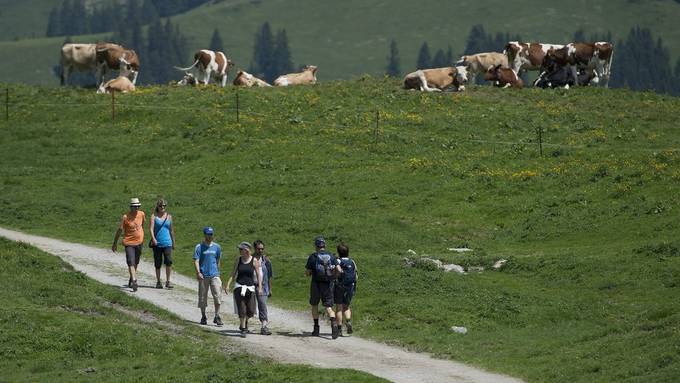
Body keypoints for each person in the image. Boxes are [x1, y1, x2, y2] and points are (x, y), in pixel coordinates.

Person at [305, 236, 342, 339]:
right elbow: (339, 270)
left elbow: (307, 273)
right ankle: (334, 323)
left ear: (316, 246)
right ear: (324, 245)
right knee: (328, 307)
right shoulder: (331, 256)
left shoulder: (313, 257)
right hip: (328, 284)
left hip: (316, 284)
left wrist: (310, 273)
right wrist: (333, 277)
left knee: (314, 305)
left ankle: (316, 329)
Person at [225, 241, 262, 337]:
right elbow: (233, 273)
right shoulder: (238, 260)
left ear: (246, 250)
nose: (239, 251)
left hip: (250, 287)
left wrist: (260, 287)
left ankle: (245, 321)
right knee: (242, 308)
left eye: (241, 249)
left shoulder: (254, 261)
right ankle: (243, 328)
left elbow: (258, 275)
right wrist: (228, 285)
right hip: (239, 286)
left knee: (250, 310)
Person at [112, 197, 146, 292]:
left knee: (136, 262)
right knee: (131, 261)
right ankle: (134, 281)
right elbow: (120, 230)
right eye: (134, 207)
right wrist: (115, 243)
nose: (136, 208)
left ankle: (131, 278)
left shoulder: (141, 214)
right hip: (129, 243)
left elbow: (142, 225)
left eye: (137, 206)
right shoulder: (125, 217)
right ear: (131, 207)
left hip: (139, 242)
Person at [193, 226, 223, 326]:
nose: (210, 236)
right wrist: (198, 272)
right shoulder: (199, 247)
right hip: (203, 275)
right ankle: (203, 316)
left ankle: (217, 316)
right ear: (204, 235)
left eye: (211, 234)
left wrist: (218, 272)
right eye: (208, 234)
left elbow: (218, 260)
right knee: (202, 297)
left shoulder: (217, 247)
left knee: (217, 296)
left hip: (214, 275)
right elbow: (196, 260)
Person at [149, 198, 175, 289]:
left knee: (168, 261)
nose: (162, 207)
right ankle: (158, 281)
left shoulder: (169, 216)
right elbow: (151, 229)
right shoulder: (154, 216)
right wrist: (153, 239)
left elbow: (171, 230)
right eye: (160, 205)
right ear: (157, 206)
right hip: (157, 243)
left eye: (164, 205)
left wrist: (173, 242)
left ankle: (168, 281)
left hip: (167, 243)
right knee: (158, 263)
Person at [334, 243, 358, 337]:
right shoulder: (352, 261)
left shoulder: (338, 261)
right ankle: (348, 321)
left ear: (338, 252)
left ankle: (339, 329)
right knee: (346, 306)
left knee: (339, 308)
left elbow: (335, 272)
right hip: (350, 286)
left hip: (340, 286)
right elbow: (356, 274)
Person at [253, 239, 273, 335]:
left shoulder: (266, 261)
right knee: (249, 305)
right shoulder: (250, 259)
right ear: (255, 248)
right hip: (251, 285)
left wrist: (270, 288)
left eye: (262, 249)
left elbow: (269, 276)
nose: (260, 250)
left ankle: (264, 326)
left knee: (262, 305)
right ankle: (244, 323)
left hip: (263, 286)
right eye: (258, 249)